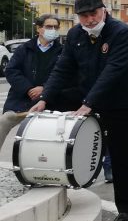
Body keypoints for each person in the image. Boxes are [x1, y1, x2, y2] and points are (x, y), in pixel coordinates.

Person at [32, 0, 128, 221]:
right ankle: (54, 179)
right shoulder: (75, 35)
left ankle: (127, 207)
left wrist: (88, 103)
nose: (90, 20)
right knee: (55, 114)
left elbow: (113, 71)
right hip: (89, 95)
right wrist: (44, 98)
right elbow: (62, 69)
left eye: (93, 13)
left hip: (121, 100)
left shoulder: (121, 32)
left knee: (122, 151)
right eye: (83, 16)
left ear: (103, 10)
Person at [1, 14, 82, 145]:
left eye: (56, 27)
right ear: (39, 28)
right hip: (21, 102)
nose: (53, 30)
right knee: (4, 121)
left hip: (50, 103)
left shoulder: (63, 52)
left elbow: (66, 76)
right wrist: (28, 89)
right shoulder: (24, 49)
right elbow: (11, 70)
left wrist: (44, 89)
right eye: (49, 26)